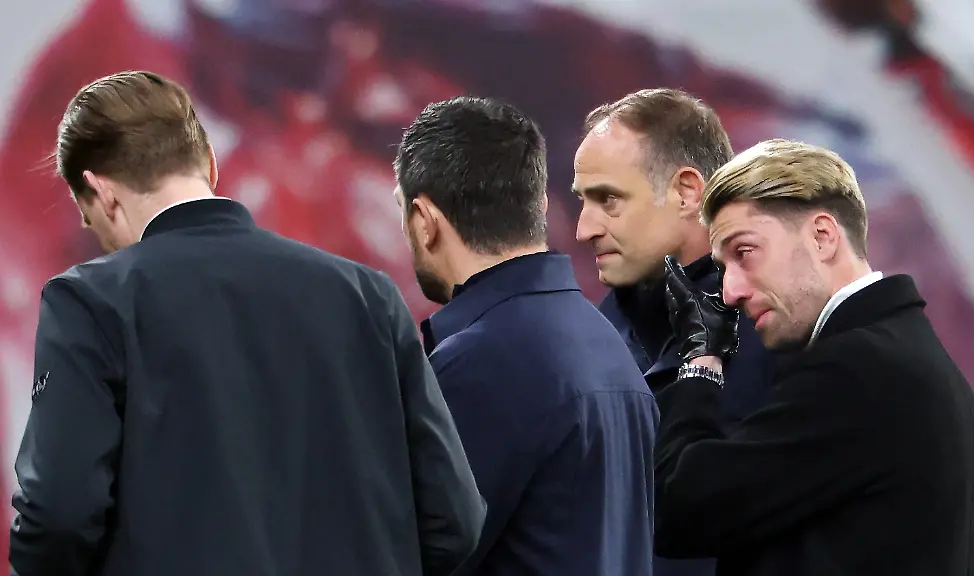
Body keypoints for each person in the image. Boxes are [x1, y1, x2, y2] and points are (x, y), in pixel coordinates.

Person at [10, 71, 485, 576]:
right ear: (209, 164)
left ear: (100, 193)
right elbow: (455, 520)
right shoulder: (369, 296)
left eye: (91, 221)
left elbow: (60, 515)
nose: (102, 240)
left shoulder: (89, 301)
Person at [654, 138, 974, 575]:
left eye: (744, 252)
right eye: (723, 266)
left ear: (823, 236)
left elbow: (679, 508)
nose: (730, 292)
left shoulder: (856, 371)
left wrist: (701, 361)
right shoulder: (910, 355)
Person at [393, 96, 659, 576]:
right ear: (538, 206)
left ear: (424, 221)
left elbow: (409, 557)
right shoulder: (607, 343)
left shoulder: (480, 362)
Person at [573, 88, 775, 576]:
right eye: (584, 201)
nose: (584, 228)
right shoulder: (589, 341)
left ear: (687, 192)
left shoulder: (785, 336)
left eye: (609, 200)